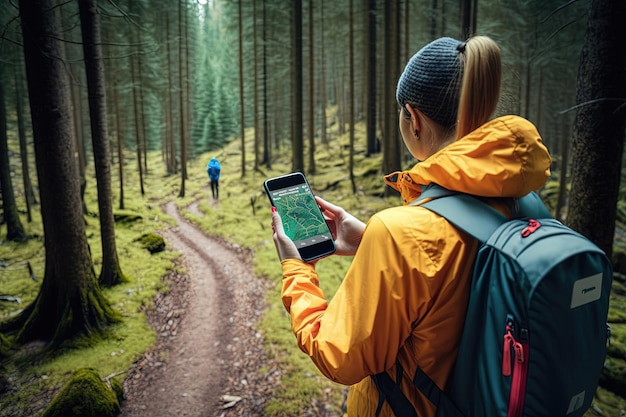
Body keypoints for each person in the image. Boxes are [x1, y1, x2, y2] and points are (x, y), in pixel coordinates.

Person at [270, 35, 552, 417]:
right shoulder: (524, 199)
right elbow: (459, 273)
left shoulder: (404, 233)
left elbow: (336, 356)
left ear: (414, 119)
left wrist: (297, 268)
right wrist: (372, 241)